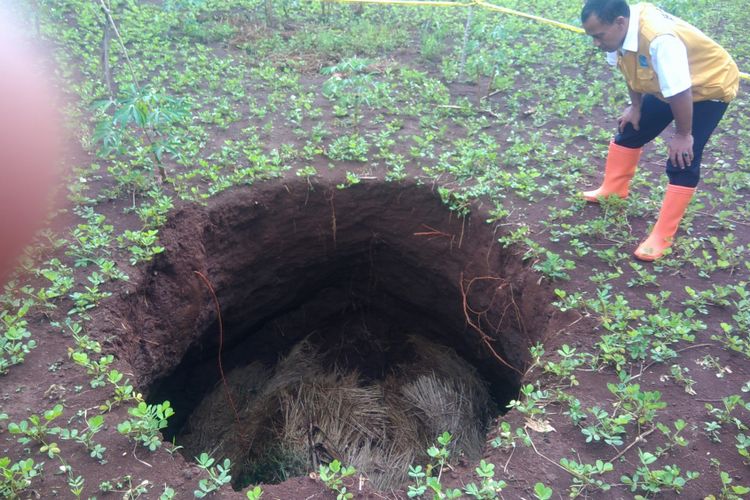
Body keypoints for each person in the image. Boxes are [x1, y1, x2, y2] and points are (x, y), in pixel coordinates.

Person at [580, 0, 739, 261]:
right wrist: (636, 106)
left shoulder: (660, 40)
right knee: (631, 129)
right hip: (670, 83)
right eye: (592, 36)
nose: (596, 43)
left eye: (598, 36)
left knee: (683, 158)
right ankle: (613, 189)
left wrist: (683, 135)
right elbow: (629, 69)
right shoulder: (617, 36)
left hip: (707, 85)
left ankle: (662, 236)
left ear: (620, 22)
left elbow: (680, 90)